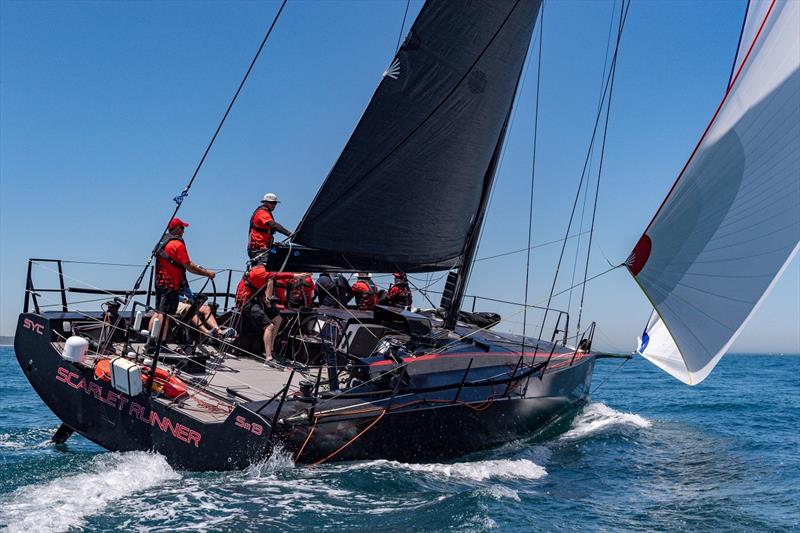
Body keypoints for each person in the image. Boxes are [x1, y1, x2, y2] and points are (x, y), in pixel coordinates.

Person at [148, 218, 215, 346]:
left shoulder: (164, 242)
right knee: (165, 315)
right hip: (171, 285)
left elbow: (182, 263)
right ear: (176, 229)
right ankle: (159, 345)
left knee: (158, 312)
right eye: (182, 228)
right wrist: (207, 273)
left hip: (160, 283)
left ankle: (151, 341)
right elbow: (188, 266)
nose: (184, 231)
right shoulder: (178, 244)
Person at [235, 265, 307, 362]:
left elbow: (272, 279)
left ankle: (271, 349)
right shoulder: (261, 272)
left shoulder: (264, 271)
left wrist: (267, 300)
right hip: (246, 302)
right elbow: (277, 276)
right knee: (269, 326)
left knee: (278, 319)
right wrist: (296, 275)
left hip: (257, 300)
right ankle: (268, 357)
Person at [247, 193, 293, 262]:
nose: (274, 205)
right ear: (265, 202)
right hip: (258, 248)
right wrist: (289, 234)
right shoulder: (262, 213)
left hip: (263, 247)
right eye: (272, 203)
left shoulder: (265, 212)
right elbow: (273, 225)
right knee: (265, 268)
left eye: (275, 203)